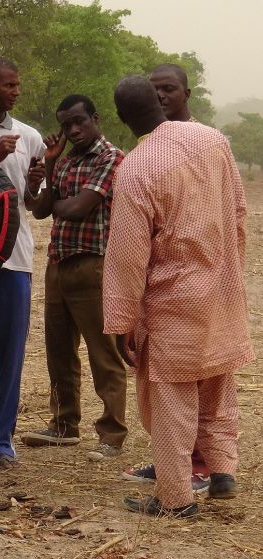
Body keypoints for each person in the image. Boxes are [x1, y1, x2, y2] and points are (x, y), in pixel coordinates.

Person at [106, 75, 254, 517]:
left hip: (174, 301)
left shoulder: (135, 167)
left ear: (120, 118)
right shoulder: (213, 140)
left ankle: (175, 499)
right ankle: (223, 471)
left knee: (171, 401)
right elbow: (240, 212)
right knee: (218, 386)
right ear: (158, 101)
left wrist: (121, 320)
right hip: (221, 293)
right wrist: (228, 269)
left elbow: (128, 256)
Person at [19, 94, 128, 461]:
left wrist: (58, 205)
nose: (74, 130)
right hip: (59, 264)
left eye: (80, 121)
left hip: (93, 265)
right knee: (59, 351)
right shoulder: (64, 161)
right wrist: (49, 167)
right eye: (66, 125)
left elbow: (77, 208)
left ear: (95, 118)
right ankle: (64, 425)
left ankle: (111, 433)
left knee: (103, 353)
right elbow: (40, 210)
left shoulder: (111, 158)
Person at [122, 63, 210, 491]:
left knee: (175, 386)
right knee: (194, 382)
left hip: (179, 291)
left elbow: (128, 253)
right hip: (206, 286)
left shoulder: (200, 144)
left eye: (169, 89)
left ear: (187, 93)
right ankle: (185, 466)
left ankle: (182, 486)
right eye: (155, 91)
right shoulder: (157, 153)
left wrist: (122, 319)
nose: (162, 97)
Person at [0, 57, 46, 468]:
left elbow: (33, 205)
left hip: (14, 260)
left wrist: (34, 186)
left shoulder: (29, 136)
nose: (16, 91)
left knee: (10, 355)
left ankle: (1, 441)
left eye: (18, 85)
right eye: (8, 85)